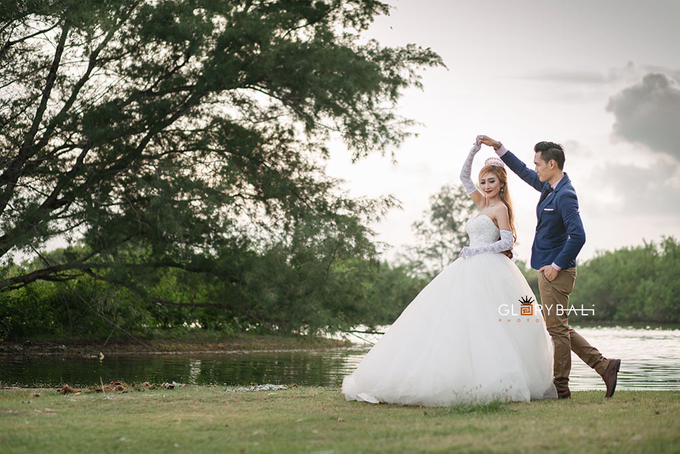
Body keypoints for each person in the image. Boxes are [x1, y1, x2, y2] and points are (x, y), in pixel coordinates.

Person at [342, 137, 557, 406]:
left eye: (492, 181)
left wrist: (477, 251)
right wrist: (474, 150)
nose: (486, 186)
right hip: (468, 266)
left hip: (489, 267)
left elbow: (507, 242)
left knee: (489, 324)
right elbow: (463, 177)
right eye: (484, 181)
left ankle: (494, 378)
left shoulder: (500, 208)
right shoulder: (481, 204)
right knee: (453, 319)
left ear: (501, 183)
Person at [477, 135, 621, 399]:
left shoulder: (565, 195)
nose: (535, 168)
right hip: (547, 269)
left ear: (552, 164)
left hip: (557, 271)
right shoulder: (548, 187)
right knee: (558, 327)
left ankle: (562, 387)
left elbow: (578, 236)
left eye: (538, 164)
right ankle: (604, 366)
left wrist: (556, 265)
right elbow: (521, 171)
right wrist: (499, 148)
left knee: (556, 328)